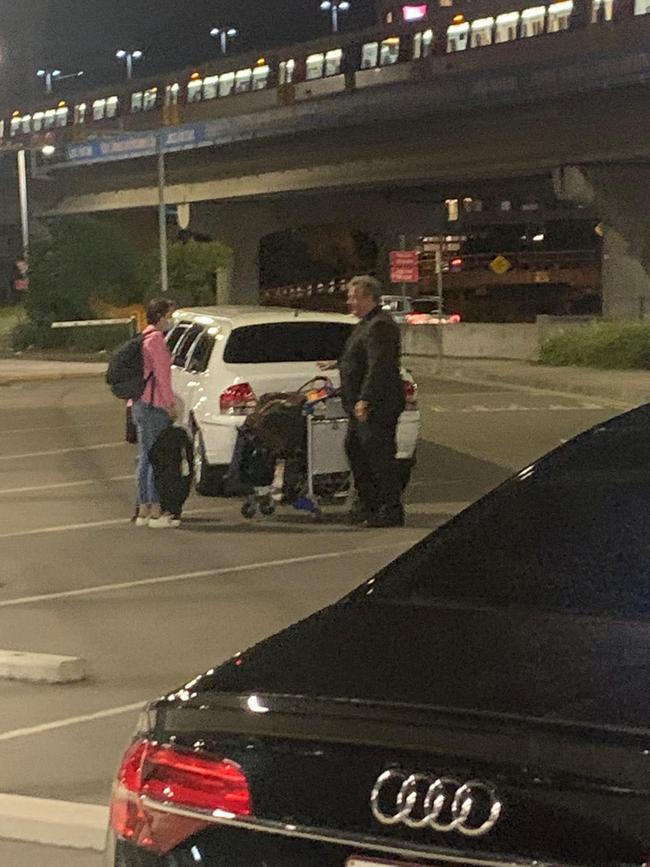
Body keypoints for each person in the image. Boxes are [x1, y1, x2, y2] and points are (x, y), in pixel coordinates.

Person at [321, 274, 406, 527]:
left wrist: (365, 399)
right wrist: (337, 364)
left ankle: (390, 510)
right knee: (356, 450)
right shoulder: (365, 324)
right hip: (360, 404)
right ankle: (368, 504)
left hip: (377, 406)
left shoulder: (381, 325)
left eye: (353, 297)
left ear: (368, 298)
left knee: (379, 458)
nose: (349, 302)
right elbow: (359, 357)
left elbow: (379, 365)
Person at [132, 298, 178, 529]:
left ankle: (142, 510)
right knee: (156, 459)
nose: (171, 319)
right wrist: (170, 405)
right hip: (154, 406)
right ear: (161, 317)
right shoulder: (156, 340)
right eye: (170, 315)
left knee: (144, 457)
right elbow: (162, 376)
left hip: (140, 404)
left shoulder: (142, 337)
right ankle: (156, 511)